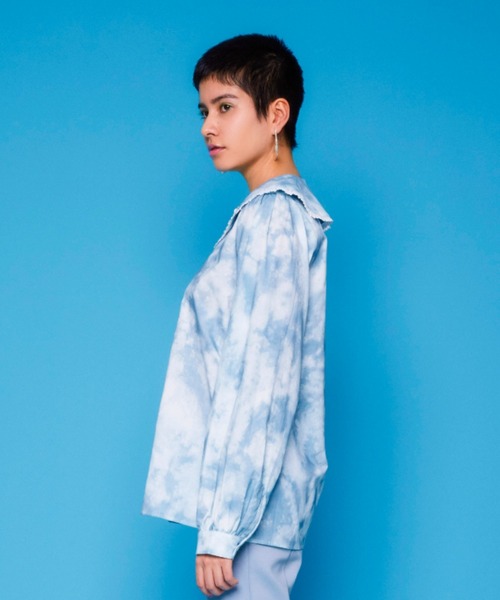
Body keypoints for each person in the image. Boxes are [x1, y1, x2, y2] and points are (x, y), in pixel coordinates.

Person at [142, 33, 333, 599]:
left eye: (225, 107)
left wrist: (224, 528)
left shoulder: (273, 220)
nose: (208, 126)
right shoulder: (267, 218)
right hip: (258, 516)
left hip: (252, 522)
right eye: (204, 111)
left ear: (276, 115)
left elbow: (262, 386)